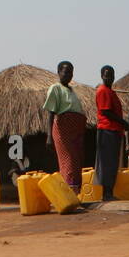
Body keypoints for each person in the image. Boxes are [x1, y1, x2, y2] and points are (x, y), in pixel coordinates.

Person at [43, 60, 86, 191]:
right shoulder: (55, 88)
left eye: (71, 72)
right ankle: (68, 194)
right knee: (69, 161)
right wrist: (49, 136)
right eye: (66, 72)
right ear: (59, 72)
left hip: (76, 131)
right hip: (63, 131)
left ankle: (76, 195)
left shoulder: (72, 90)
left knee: (77, 161)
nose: (69, 75)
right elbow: (51, 112)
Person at [94, 65, 128, 199]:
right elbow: (105, 111)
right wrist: (122, 122)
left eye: (112, 75)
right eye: (107, 75)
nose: (110, 78)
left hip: (113, 130)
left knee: (112, 162)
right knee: (107, 162)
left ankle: (109, 192)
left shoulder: (110, 91)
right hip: (107, 129)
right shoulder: (103, 91)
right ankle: (106, 193)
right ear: (102, 76)